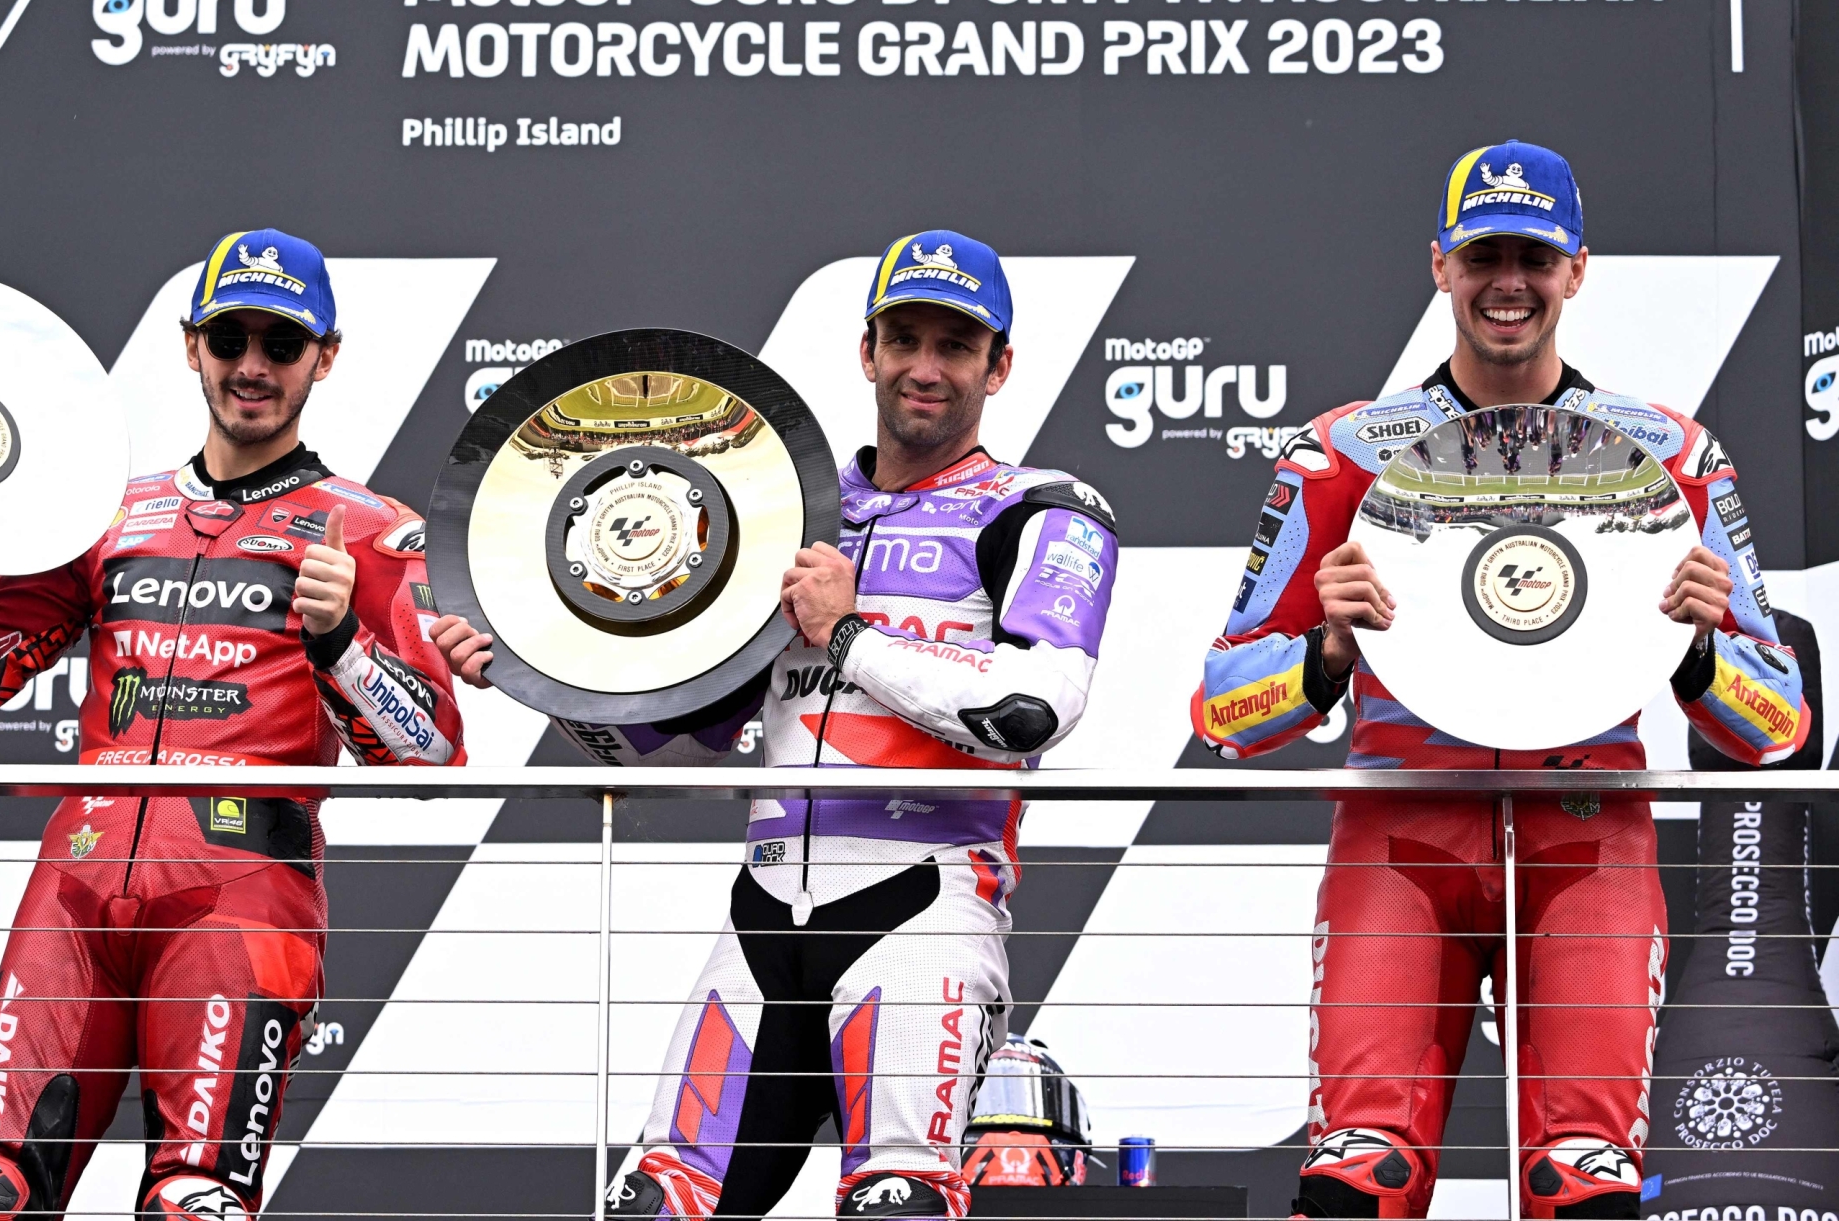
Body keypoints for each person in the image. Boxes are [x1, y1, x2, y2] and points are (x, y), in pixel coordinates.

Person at [433, 230, 1118, 1221]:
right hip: (759, 915)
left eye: (956, 346)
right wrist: (537, 677)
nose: (926, 367)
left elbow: (1031, 710)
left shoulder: (1044, 508)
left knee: (897, 1203)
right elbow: (661, 733)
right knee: (656, 1206)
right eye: (905, 338)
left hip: (922, 909)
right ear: (867, 350)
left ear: (998, 365)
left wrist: (848, 633)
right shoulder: (783, 509)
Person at [1190, 142, 1812, 1220]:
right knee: (1359, 1175)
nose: (1508, 282)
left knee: (1584, 1183)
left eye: (1534, 254)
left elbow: (1779, 726)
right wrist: (1327, 654)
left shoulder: (1674, 455)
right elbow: (1221, 710)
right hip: (1400, 836)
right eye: (1485, 255)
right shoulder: (1341, 455)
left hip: (1590, 837)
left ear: (1577, 270)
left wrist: (1704, 649)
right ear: (1440, 265)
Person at [0, 229, 466, 1218]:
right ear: (190, 344)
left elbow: (432, 749)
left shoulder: (367, 530)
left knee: (191, 1203)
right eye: (230, 337)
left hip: (240, 904)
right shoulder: (103, 514)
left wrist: (336, 646)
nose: (252, 366)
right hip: (71, 890)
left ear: (325, 358)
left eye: (281, 345)